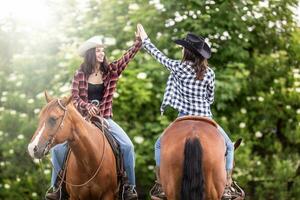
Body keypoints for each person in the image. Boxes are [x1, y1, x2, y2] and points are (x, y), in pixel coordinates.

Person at [137, 24, 244, 200]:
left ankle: (160, 184)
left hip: (183, 117)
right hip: (206, 117)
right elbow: (210, 98)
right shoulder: (209, 73)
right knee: (230, 146)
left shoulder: (177, 68)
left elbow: (158, 56)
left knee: (158, 145)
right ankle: (227, 185)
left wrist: (145, 40)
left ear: (186, 52)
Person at [46, 29, 142, 200]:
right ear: (91, 54)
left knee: (128, 146)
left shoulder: (111, 71)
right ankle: (57, 188)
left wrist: (138, 43)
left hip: (105, 119)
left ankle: (129, 187)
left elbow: (125, 59)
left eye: (102, 50)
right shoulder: (80, 74)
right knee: (58, 150)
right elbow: (74, 98)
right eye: (98, 50)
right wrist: (86, 106)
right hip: (82, 121)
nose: (102, 53)